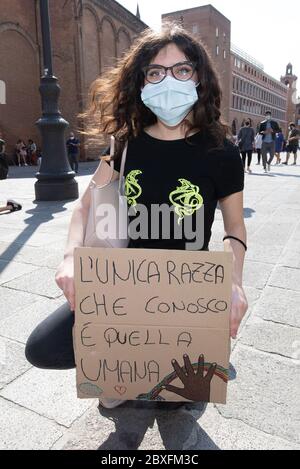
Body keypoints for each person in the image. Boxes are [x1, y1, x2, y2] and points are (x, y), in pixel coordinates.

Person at [25, 24, 248, 410]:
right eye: (156, 72)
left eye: (182, 69)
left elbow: (234, 227)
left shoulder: (221, 152)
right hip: (119, 288)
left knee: (175, 401)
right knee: (42, 349)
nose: (169, 80)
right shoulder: (125, 144)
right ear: (141, 81)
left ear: (199, 77)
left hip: (187, 294)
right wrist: (68, 259)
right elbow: (86, 205)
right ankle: (127, 371)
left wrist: (234, 283)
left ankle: (169, 367)